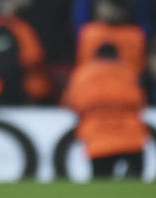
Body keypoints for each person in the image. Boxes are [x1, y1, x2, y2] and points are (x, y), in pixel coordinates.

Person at [63, 43, 148, 179]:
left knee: (101, 185)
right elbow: (140, 101)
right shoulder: (128, 72)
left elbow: (72, 103)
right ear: (116, 56)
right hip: (130, 137)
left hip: (98, 139)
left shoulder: (82, 74)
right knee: (136, 187)